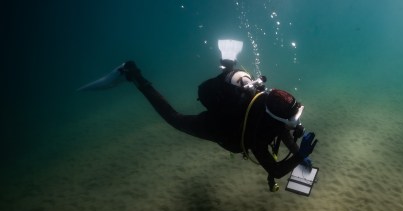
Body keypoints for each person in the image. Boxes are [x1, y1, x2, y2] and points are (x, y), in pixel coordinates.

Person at [115, 41, 318, 192]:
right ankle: (136, 76)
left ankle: (228, 65)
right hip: (221, 128)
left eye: (297, 116)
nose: (297, 123)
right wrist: (299, 156)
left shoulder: (271, 110)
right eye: (293, 120)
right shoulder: (257, 136)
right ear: (276, 119)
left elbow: (282, 130)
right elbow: (275, 171)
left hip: (235, 109)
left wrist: (300, 154)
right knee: (174, 119)